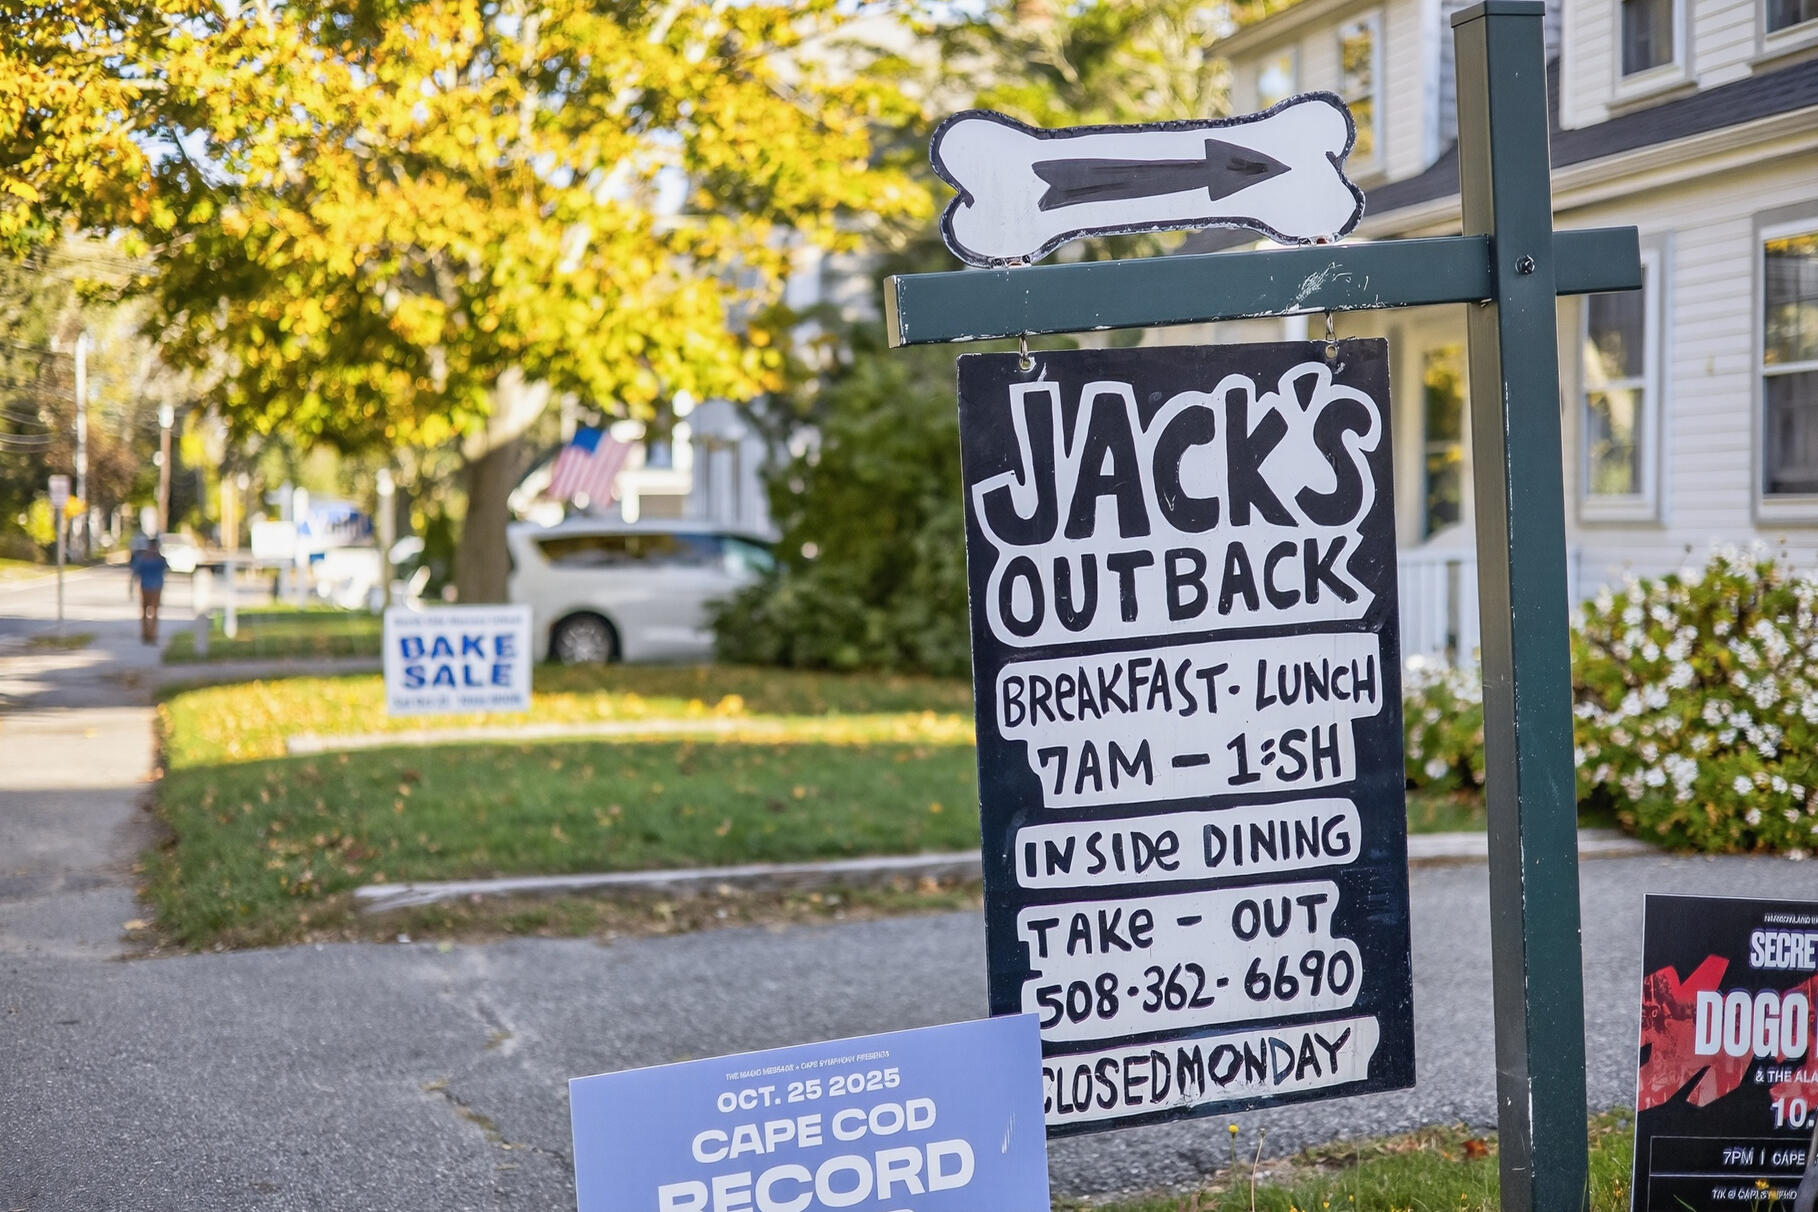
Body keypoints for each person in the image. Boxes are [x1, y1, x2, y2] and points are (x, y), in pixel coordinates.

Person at [130, 537, 169, 645]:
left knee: (155, 612)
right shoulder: (142, 559)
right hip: (145, 587)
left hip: (157, 588)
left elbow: (166, 567)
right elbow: (135, 571)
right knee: (144, 611)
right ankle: (145, 633)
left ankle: (153, 634)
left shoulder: (160, 559)